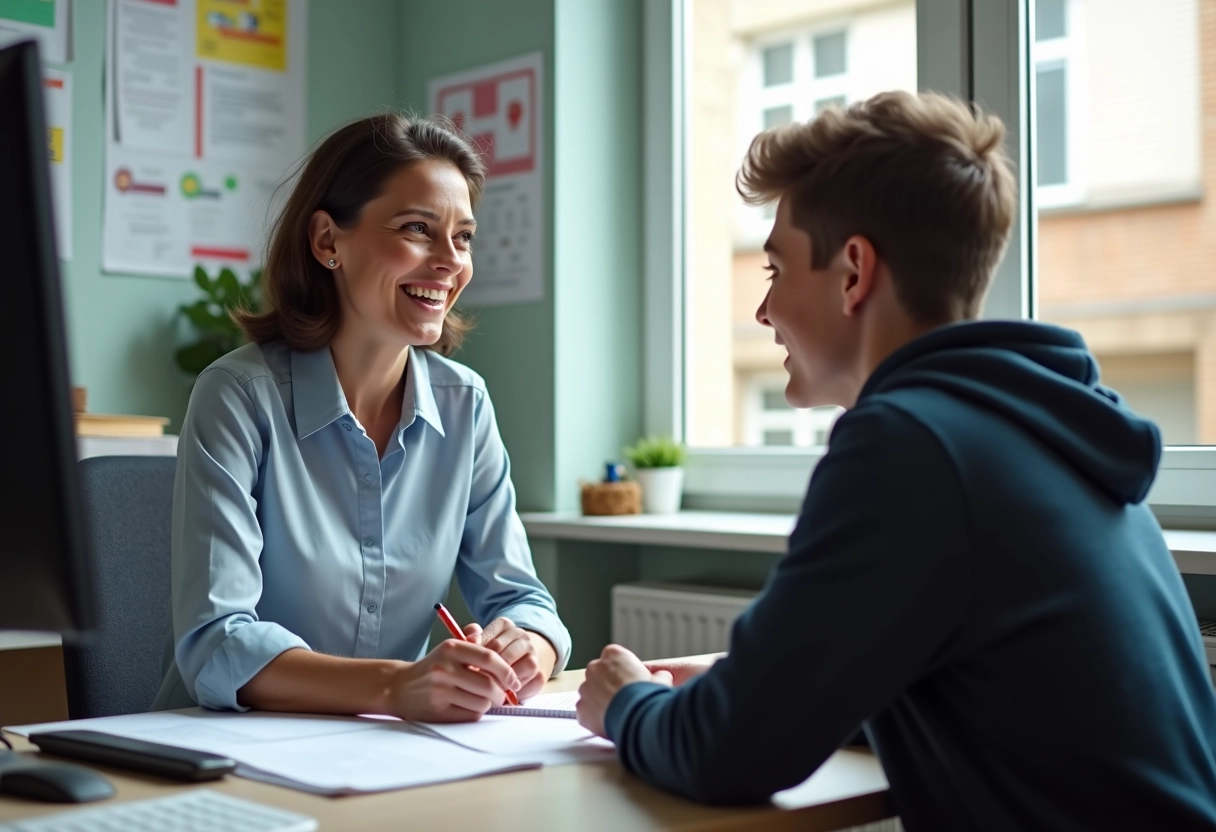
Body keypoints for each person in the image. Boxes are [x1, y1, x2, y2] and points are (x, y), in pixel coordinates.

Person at [576, 91, 1216, 830]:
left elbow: (724, 755)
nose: (764, 311)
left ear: (853, 272)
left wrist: (626, 702)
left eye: (776, 270)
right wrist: (748, 686)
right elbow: (996, 693)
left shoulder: (909, 445)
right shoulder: (1038, 427)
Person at [152, 114, 570, 722]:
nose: (450, 261)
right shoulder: (238, 395)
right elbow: (217, 642)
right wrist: (394, 687)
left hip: (384, 748)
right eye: (417, 229)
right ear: (328, 241)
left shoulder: (465, 404)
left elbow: (523, 598)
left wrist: (528, 644)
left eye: (463, 237)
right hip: (224, 748)